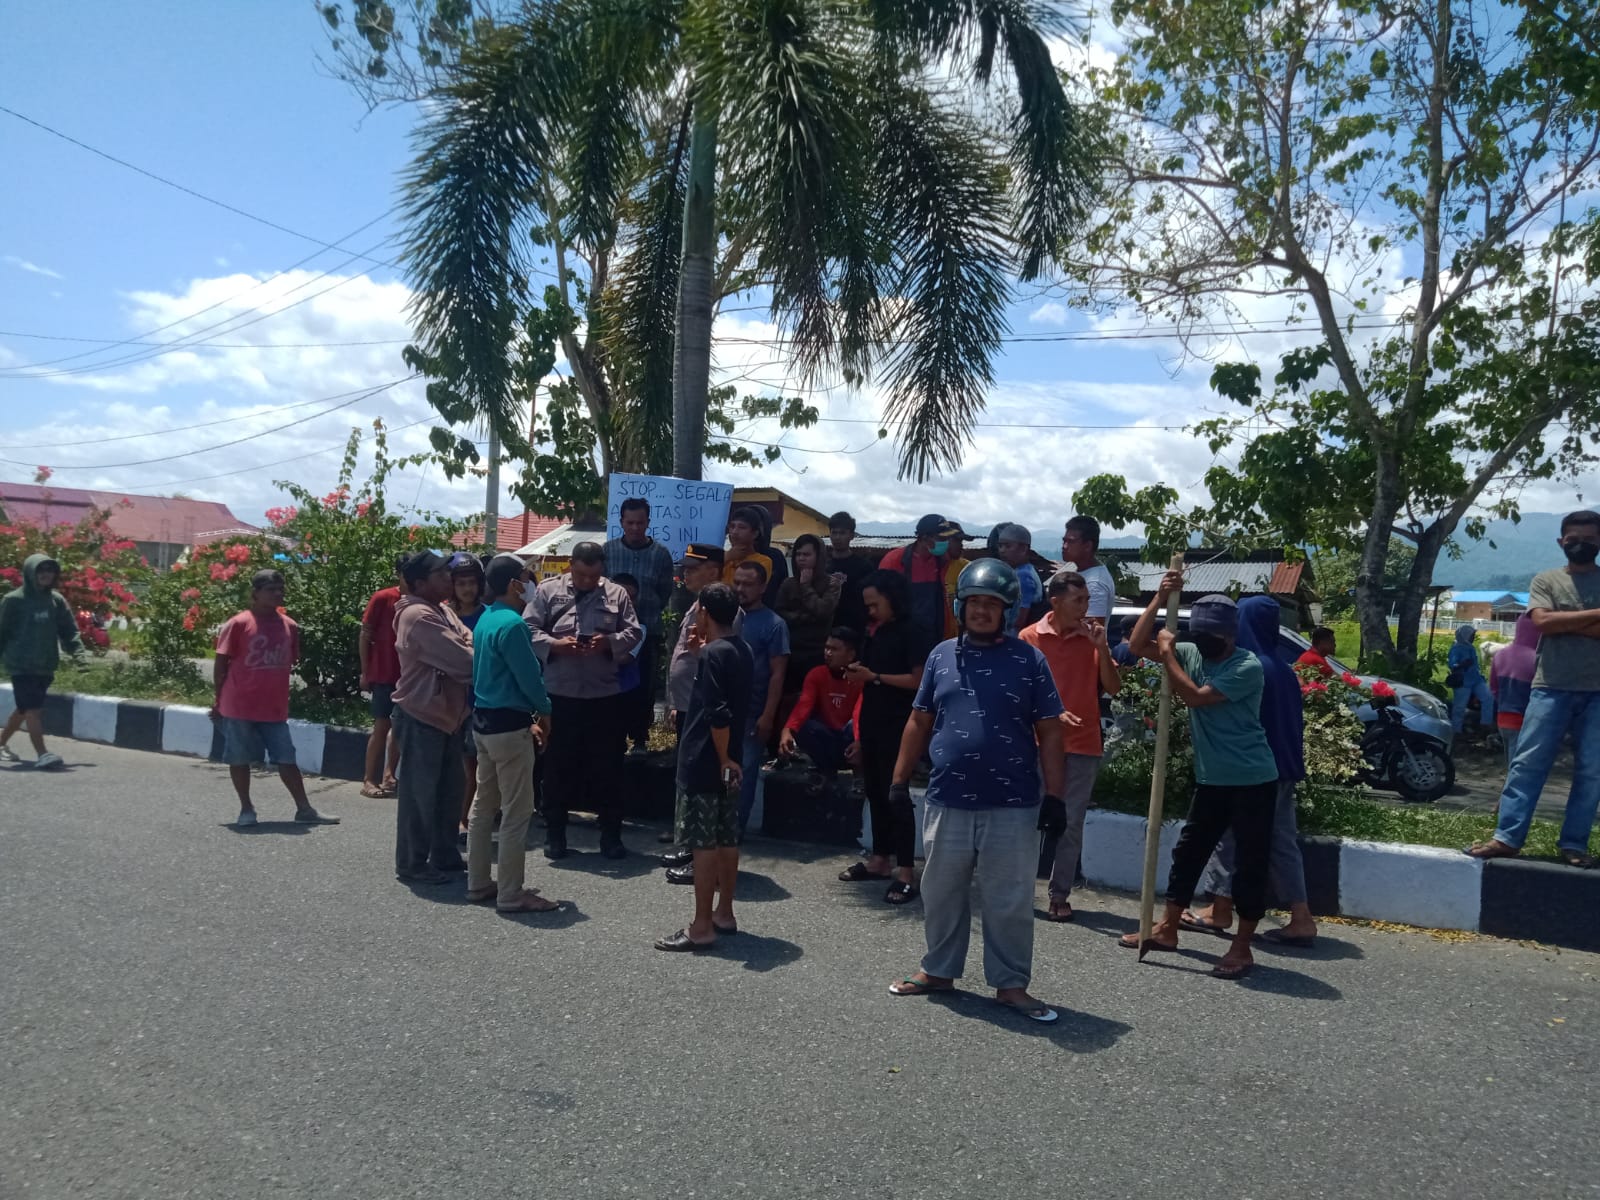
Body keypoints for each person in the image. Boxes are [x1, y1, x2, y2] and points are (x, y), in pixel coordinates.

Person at [887, 559, 1066, 1022]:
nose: (982, 611)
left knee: (1008, 899)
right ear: (959, 606)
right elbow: (919, 720)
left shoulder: (1030, 660)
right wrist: (898, 780)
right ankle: (938, 972)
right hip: (948, 798)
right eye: (974, 603)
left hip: (1013, 803)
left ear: (1007, 612)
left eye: (992, 604)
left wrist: (1057, 797)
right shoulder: (940, 656)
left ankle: (1011, 985)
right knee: (942, 892)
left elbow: (1049, 731)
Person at [1117, 581, 1280, 980]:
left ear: (1230, 635)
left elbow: (1195, 696)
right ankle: (1168, 927)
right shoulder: (1190, 651)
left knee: (1250, 863)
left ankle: (1241, 947)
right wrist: (1158, 599)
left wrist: (1170, 651)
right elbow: (1136, 647)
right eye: (1198, 636)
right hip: (1212, 779)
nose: (1202, 644)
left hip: (1252, 778)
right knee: (1189, 852)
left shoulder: (1246, 665)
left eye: (1210, 637)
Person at [1468, 511, 1600, 869]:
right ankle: (1507, 838)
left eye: (1588, 538)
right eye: (1573, 538)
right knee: (1527, 764)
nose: (1580, 544)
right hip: (1549, 687)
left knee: (1592, 772)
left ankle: (1574, 844)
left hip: (1597, 692)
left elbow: (1552, 622)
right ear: (1561, 542)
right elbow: (1541, 622)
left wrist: (1563, 623)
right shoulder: (1546, 580)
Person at [1187, 596, 1319, 947]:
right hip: (1285, 768)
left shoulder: (1250, 666)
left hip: (1252, 773)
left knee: (1227, 838)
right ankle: (1301, 915)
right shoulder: (1282, 666)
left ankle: (1220, 909)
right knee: (1280, 842)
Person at [525, 540, 642, 859]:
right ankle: (555, 834)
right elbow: (528, 629)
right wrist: (555, 644)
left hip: (604, 696)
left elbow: (634, 633)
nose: (587, 582)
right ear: (571, 567)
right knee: (557, 766)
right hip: (560, 695)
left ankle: (611, 836)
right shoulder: (549, 591)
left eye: (593, 576)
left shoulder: (617, 594)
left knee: (608, 767)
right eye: (580, 575)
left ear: (601, 570)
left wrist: (609, 642)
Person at [654, 583, 754, 950]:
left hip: (705, 758)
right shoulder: (739, 649)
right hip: (731, 759)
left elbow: (718, 714)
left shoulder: (714, 655)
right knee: (727, 837)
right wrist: (731, 758)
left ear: (705, 613)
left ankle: (701, 926)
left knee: (703, 844)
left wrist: (722, 756)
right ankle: (724, 912)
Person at [1020, 571, 1121, 922]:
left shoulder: (1092, 637)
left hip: (1082, 743)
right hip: (1036, 741)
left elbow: (1114, 687)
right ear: (1056, 602)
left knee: (1071, 822)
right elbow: (1021, 692)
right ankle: (1020, 890)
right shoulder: (1029, 637)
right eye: (1078, 600)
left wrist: (1102, 649)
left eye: (1086, 600)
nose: (1086, 607)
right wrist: (1050, 714)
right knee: (1027, 819)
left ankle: (1059, 894)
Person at [207, 568, 339, 826]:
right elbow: (221, 664)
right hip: (239, 705)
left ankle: (304, 809)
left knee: (286, 758)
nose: (278, 594)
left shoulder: (289, 626)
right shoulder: (238, 624)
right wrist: (218, 700)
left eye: (281, 589)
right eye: (271, 590)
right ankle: (246, 808)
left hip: (274, 708)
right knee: (239, 757)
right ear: (255, 593)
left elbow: (291, 662)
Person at [467, 555, 559, 913]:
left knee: (482, 806)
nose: (531, 582)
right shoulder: (514, 625)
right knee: (517, 812)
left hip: (483, 723)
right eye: (526, 576)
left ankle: (478, 883)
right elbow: (530, 680)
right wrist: (546, 711)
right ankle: (510, 892)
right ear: (513, 584)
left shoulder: (487, 620)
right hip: (510, 726)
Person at [839, 570, 927, 902]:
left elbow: (919, 680)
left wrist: (874, 676)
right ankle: (880, 858)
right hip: (874, 721)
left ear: (892, 599)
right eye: (867, 606)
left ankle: (906, 871)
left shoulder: (912, 632)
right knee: (875, 791)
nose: (870, 611)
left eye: (875, 604)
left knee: (896, 795)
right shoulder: (874, 632)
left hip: (901, 725)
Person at [393, 551, 474, 883]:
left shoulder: (442, 611)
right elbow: (466, 661)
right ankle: (412, 863)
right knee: (419, 796)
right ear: (420, 583)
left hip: (447, 716)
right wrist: (464, 648)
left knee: (449, 791)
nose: (449, 578)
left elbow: (467, 641)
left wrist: (464, 647)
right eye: (441, 574)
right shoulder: (418, 616)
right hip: (421, 714)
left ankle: (443, 854)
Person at [661, 543, 742, 871]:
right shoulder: (696, 607)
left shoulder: (722, 613)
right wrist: (673, 701)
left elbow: (717, 662)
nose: (686, 573)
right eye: (685, 567)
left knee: (704, 785)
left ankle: (703, 860)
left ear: (715, 570)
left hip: (708, 714)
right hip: (687, 706)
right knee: (687, 781)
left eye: (694, 568)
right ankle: (691, 849)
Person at [0, 553, 86, 769]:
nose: (46, 574)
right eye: (41, 570)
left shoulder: (55, 600)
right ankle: (43, 754)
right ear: (30, 573)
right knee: (33, 709)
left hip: (45, 664)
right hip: (21, 664)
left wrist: (79, 655)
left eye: (50, 570)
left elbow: (69, 630)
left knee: (23, 709)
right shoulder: (13, 600)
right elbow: (2, 632)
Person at [604, 497, 676, 754]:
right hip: (612, 633)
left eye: (640, 523)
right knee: (611, 684)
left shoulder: (661, 554)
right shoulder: (608, 550)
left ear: (648, 522)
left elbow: (665, 590)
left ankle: (640, 739)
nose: (635, 528)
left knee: (643, 686)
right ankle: (613, 735)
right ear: (621, 522)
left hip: (648, 632)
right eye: (630, 522)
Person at [731, 560, 789, 833]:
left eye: (748, 584)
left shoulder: (775, 625)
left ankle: (733, 836)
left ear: (763, 587)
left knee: (744, 775)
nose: (740, 589)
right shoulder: (725, 616)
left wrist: (767, 716)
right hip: (723, 711)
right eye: (737, 582)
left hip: (752, 713)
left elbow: (778, 674)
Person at [779, 627, 864, 772]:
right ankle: (826, 771)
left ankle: (858, 773)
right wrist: (787, 730)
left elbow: (859, 713)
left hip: (850, 736)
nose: (828, 653)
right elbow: (803, 706)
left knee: (862, 727)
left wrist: (858, 741)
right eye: (826, 648)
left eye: (834, 649)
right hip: (828, 736)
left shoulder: (860, 678)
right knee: (805, 727)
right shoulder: (816, 674)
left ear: (850, 655)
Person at [358, 557, 407, 798]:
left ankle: (389, 775)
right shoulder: (383, 598)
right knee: (381, 726)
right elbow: (365, 635)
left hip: (408, 677)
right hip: (384, 673)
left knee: (398, 728)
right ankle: (369, 779)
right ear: (398, 573)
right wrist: (365, 672)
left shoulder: (424, 602)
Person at [447, 552, 488, 837]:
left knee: (470, 766)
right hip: (447, 703)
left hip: (478, 702)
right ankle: (447, 820)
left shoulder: (487, 617)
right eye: (460, 583)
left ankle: (462, 819)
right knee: (449, 767)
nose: (467, 589)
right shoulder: (442, 615)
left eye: (472, 582)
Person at [880, 513, 961, 650]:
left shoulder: (942, 560)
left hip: (934, 638)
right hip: (899, 641)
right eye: (942, 538)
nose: (946, 542)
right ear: (924, 538)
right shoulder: (894, 561)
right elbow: (879, 602)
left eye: (948, 538)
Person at [774, 533, 840, 699]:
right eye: (798, 554)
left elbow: (822, 611)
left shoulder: (831, 583)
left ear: (819, 557)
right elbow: (779, 613)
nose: (801, 558)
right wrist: (806, 617)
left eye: (807, 554)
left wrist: (805, 586)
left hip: (817, 652)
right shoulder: (788, 584)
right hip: (790, 652)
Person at [1488, 613, 1538, 768]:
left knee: (1511, 762)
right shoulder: (1536, 658)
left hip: (1502, 718)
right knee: (1519, 768)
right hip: (1525, 720)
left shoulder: (1500, 655)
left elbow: (1493, 688)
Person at [826, 511, 876, 636]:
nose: (837, 537)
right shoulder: (822, 565)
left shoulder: (864, 567)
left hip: (855, 630)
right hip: (826, 629)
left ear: (852, 535)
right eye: (834, 532)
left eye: (842, 533)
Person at [1061, 515, 1116, 622]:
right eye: (1064, 541)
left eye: (1071, 542)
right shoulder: (1083, 572)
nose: (1064, 546)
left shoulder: (1094, 583)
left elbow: (1091, 631)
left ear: (1087, 546)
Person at [994, 523, 1043, 636]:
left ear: (1023, 549)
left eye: (1007, 546)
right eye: (1000, 546)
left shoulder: (1023, 576)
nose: (1002, 550)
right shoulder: (1020, 571)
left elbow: (1020, 619)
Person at [722, 506, 781, 599]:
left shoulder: (763, 561)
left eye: (742, 527)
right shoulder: (722, 557)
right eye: (732, 526)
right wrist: (726, 557)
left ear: (755, 534)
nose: (734, 532)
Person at [1448, 625, 1495, 735]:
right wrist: (1462, 665)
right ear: (1465, 636)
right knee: (1459, 707)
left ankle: (1485, 724)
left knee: (1488, 697)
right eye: (1472, 635)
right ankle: (1456, 731)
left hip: (1476, 679)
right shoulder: (1456, 648)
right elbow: (1452, 665)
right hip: (1463, 681)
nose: (1473, 637)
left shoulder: (1470, 647)